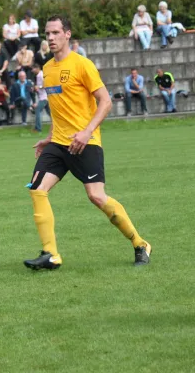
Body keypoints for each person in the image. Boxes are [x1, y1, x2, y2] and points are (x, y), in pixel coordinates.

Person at [23, 15, 151, 271]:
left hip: (86, 142)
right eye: (47, 33)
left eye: (56, 33)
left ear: (68, 34)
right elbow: (58, 109)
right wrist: (49, 137)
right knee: (37, 189)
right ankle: (51, 254)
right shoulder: (47, 70)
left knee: (96, 196)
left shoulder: (83, 65)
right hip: (59, 143)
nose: (50, 38)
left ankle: (140, 243)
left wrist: (86, 131)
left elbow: (105, 102)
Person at [31, 64, 50, 133]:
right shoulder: (38, 75)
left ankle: (38, 128)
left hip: (44, 97)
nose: (32, 70)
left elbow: (47, 84)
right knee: (50, 113)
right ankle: (60, 127)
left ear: (37, 68)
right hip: (44, 97)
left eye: (33, 69)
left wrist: (39, 87)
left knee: (37, 110)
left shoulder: (41, 75)